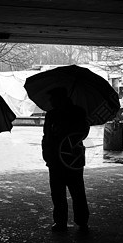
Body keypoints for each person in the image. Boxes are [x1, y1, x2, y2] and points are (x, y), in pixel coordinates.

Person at [42, 87, 90, 232]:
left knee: (72, 191)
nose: (50, 101)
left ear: (59, 98)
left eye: (53, 98)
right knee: (63, 192)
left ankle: (73, 221)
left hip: (68, 158)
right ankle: (70, 221)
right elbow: (47, 136)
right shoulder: (53, 114)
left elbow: (83, 132)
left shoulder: (76, 113)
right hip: (65, 158)